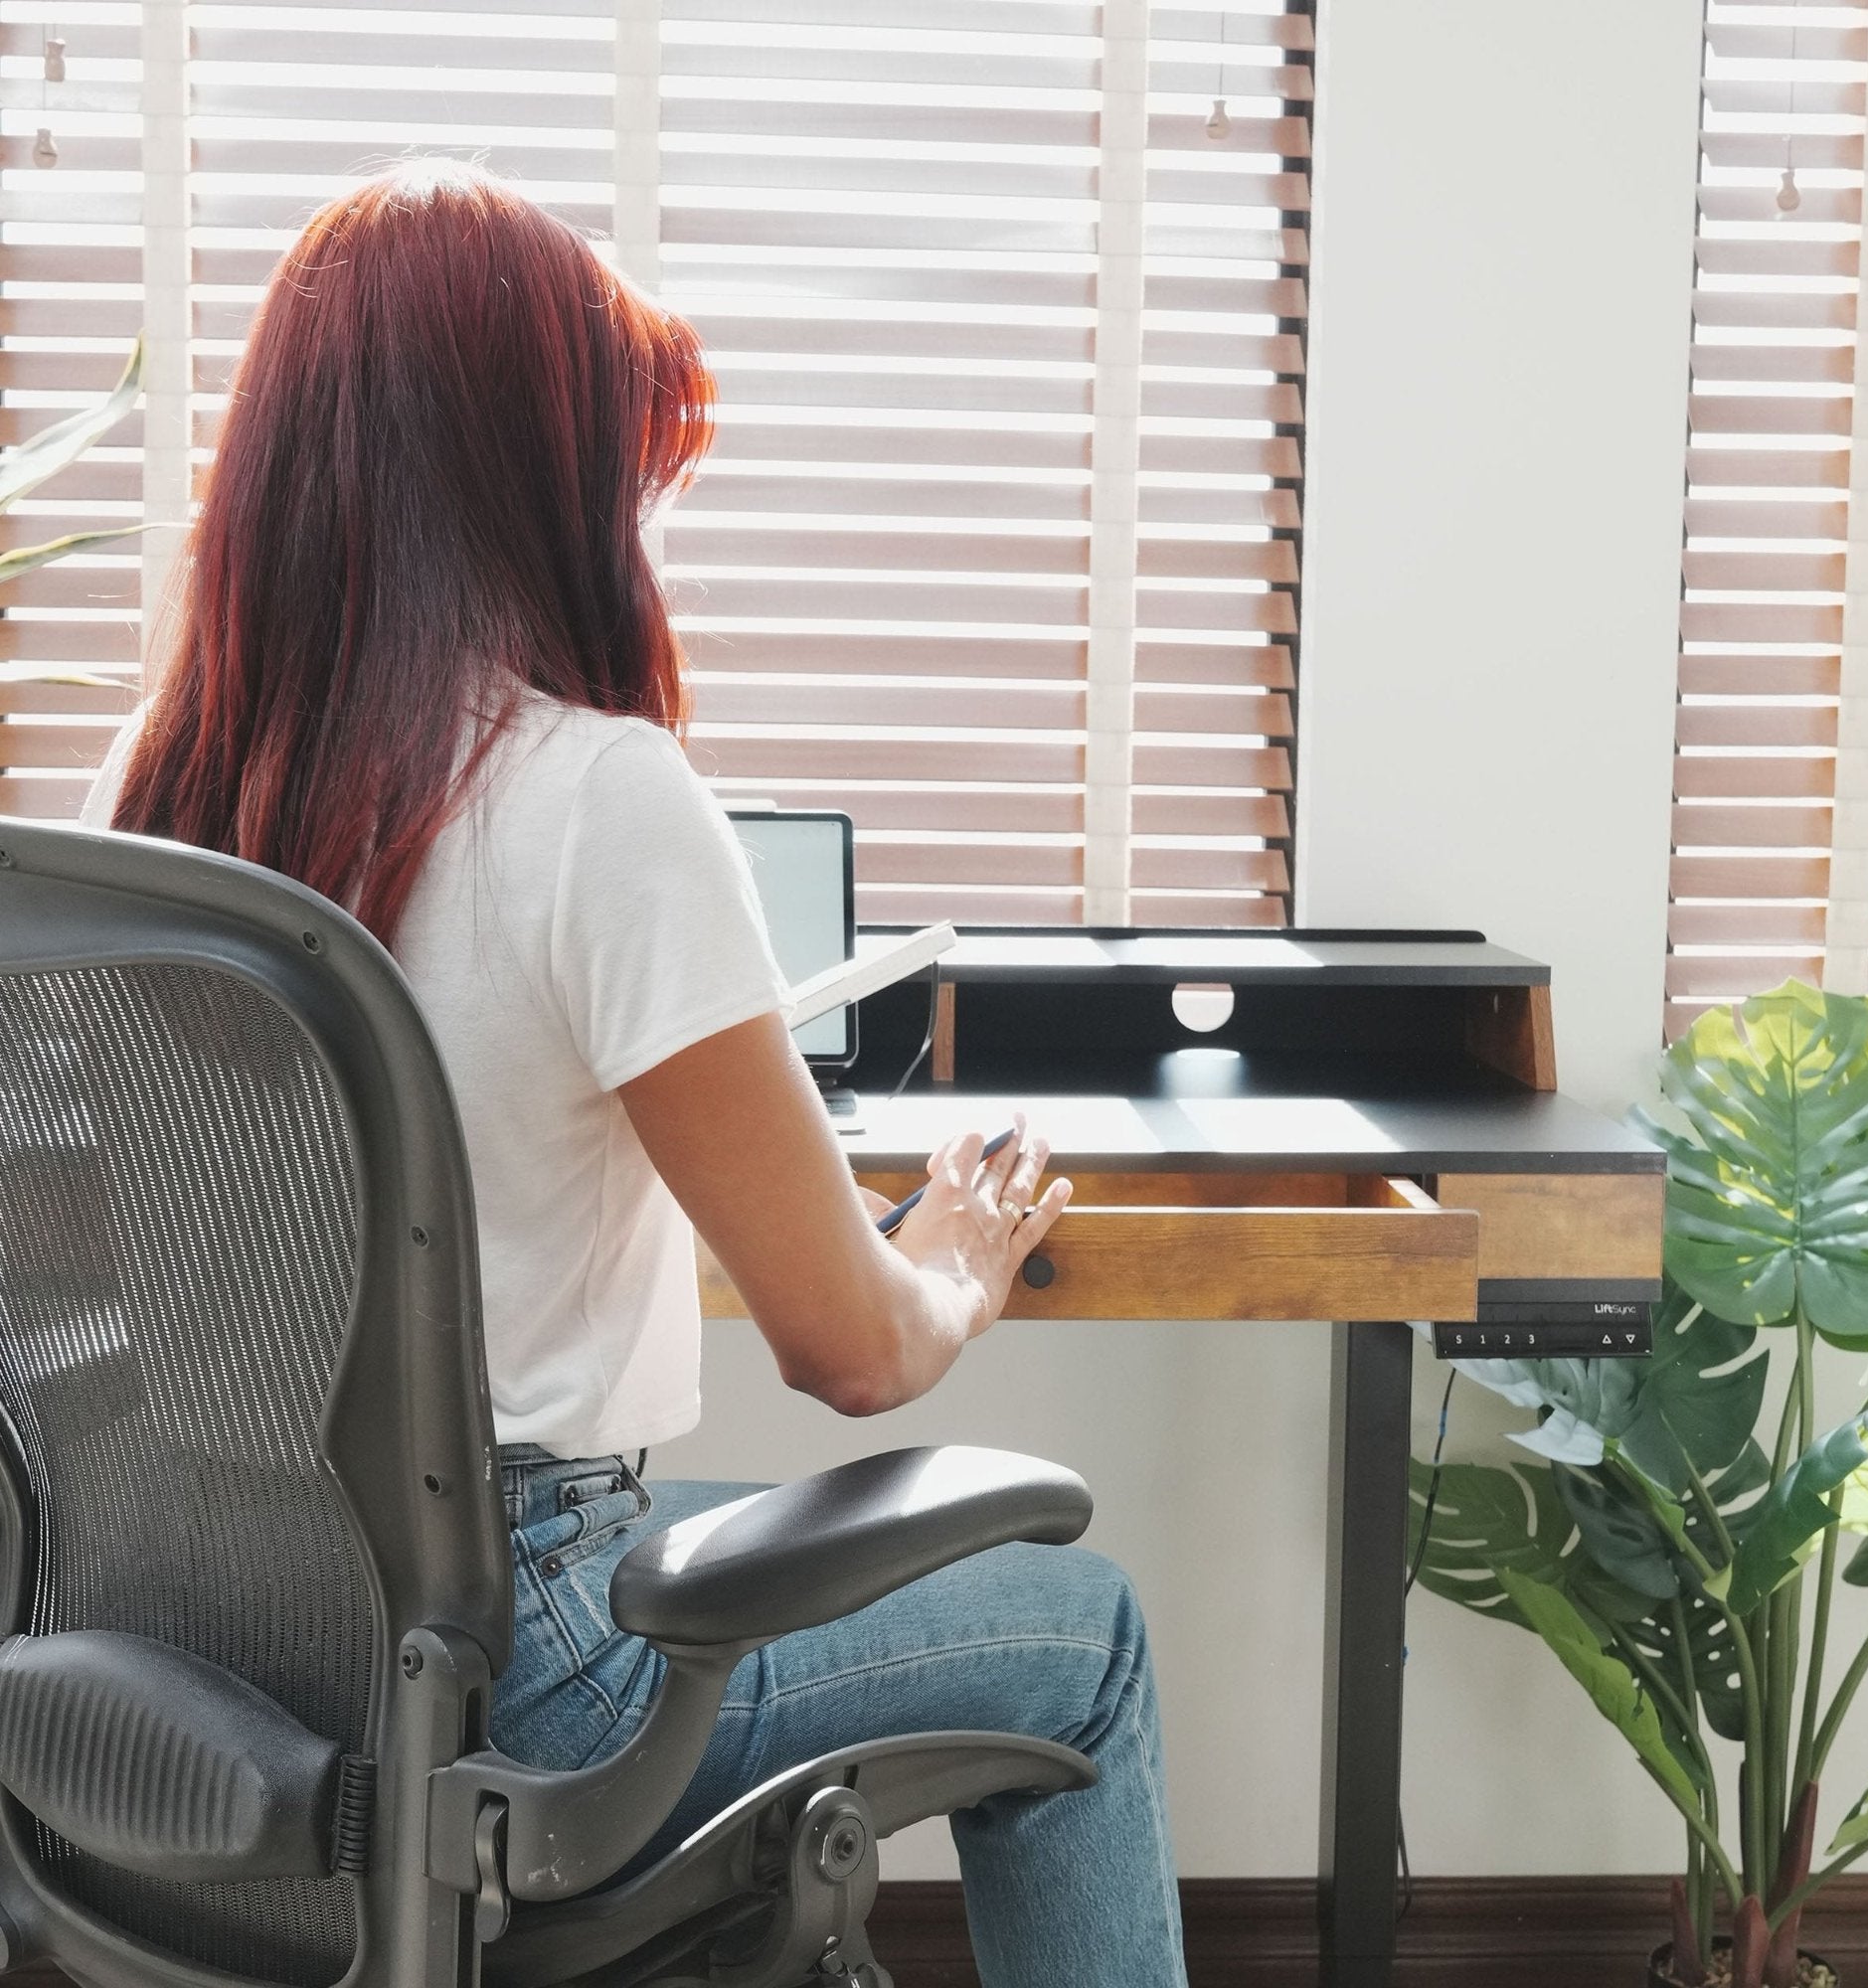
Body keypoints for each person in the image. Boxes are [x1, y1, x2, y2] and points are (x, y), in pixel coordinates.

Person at [81, 160, 1188, 1988]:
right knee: (1088, 1634)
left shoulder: (170, 778)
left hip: (215, 1618)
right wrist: (955, 1268)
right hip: (526, 1665)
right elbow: (848, 1350)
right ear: (536, 480)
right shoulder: (598, 795)